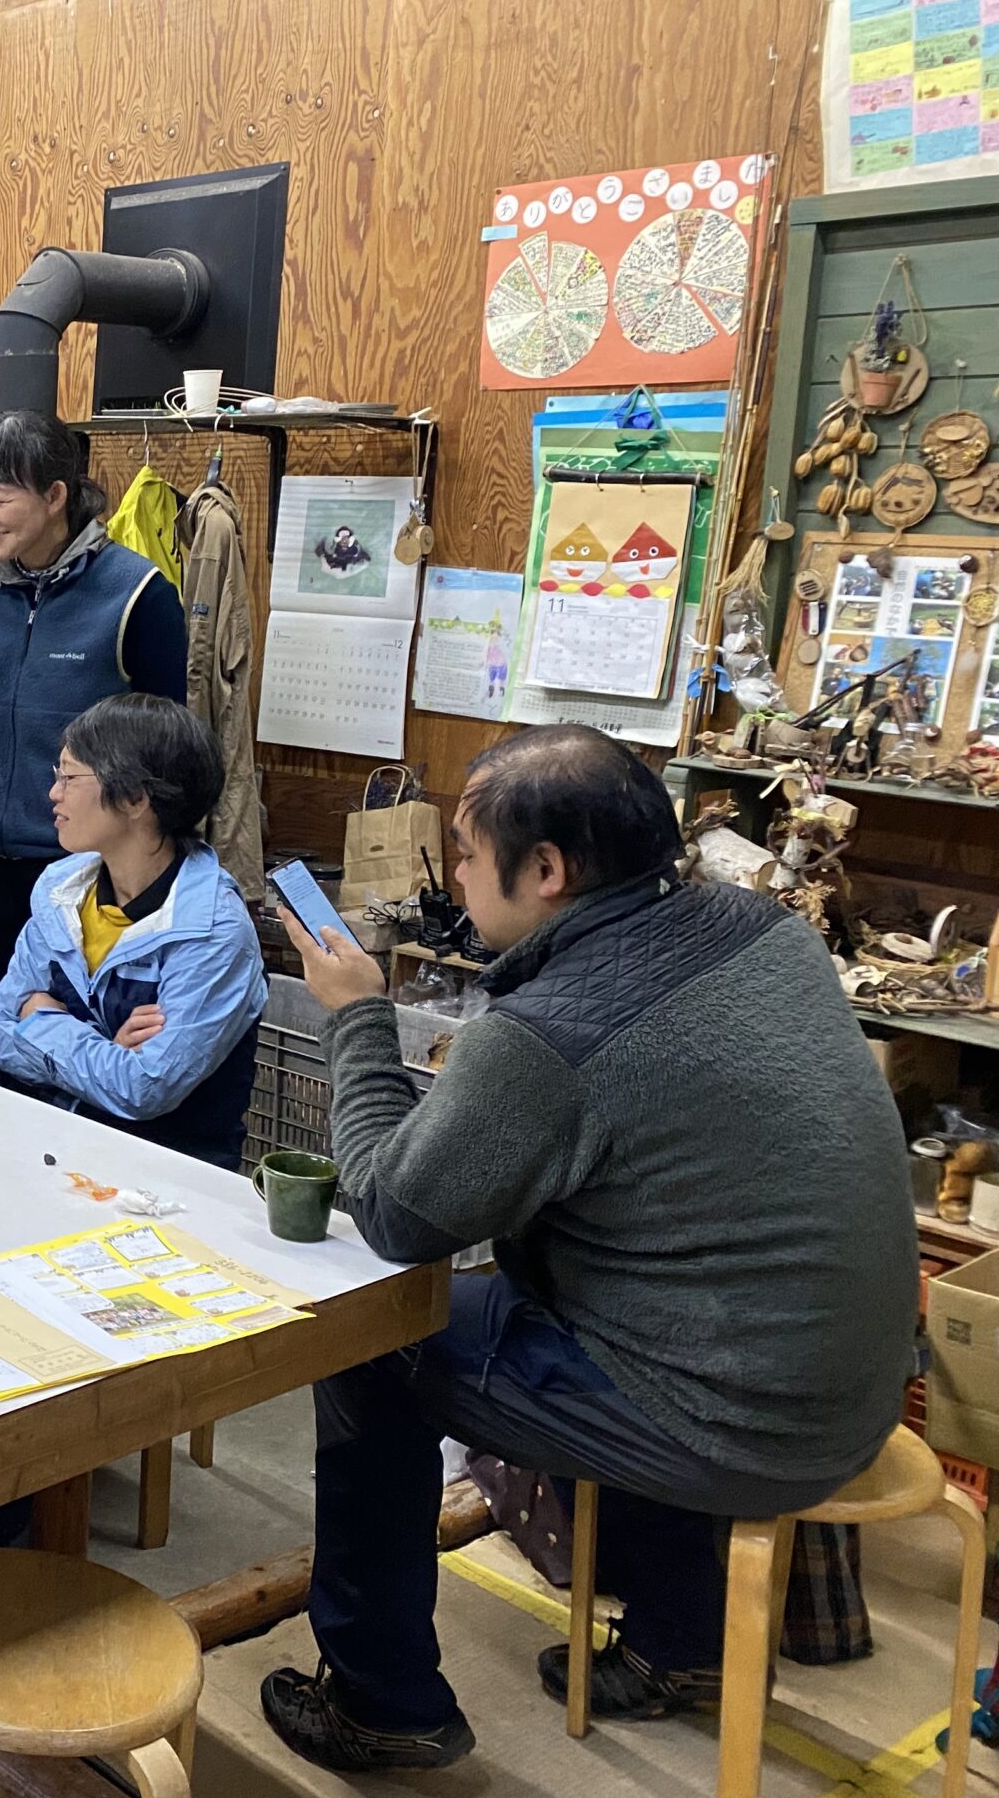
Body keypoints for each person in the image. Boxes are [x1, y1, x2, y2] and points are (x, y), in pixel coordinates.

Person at [259, 725, 914, 1773]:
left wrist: (359, 1017)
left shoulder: (550, 1033)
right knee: (622, 1292)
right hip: (855, 1387)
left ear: (548, 871)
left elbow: (395, 1214)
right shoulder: (759, 928)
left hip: (741, 1421)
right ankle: (680, 1645)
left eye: (467, 855)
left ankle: (381, 1702)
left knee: (370, 1341)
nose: (455, 877)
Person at [0, 409, 186, 1083]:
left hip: (81, 872)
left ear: (55, 495)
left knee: (71, 1055)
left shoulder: (137, 594)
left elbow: (169, 751)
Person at [0, 694, 263, 1166]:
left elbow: (143, 1088)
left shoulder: (213, 931)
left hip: (172, 1175)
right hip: (59, 1148)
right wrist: (106, 1050)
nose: (53, 794)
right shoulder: (63, 891)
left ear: (135, 798)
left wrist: (42, 1018)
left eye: (69, 777)